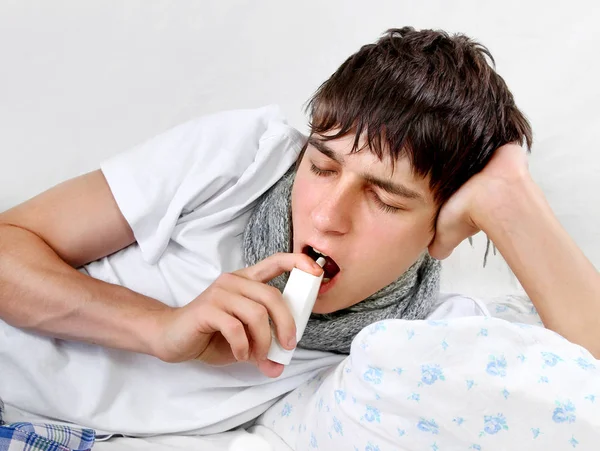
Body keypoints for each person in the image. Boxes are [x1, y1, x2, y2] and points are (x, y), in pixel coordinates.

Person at [0, 26, 598, 438]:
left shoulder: (414, 345)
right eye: (321, 166)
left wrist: (513, 203)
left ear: (444, 230)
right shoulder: (239, 160)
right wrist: (159, 327)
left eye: (385, 200)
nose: (327, 216)